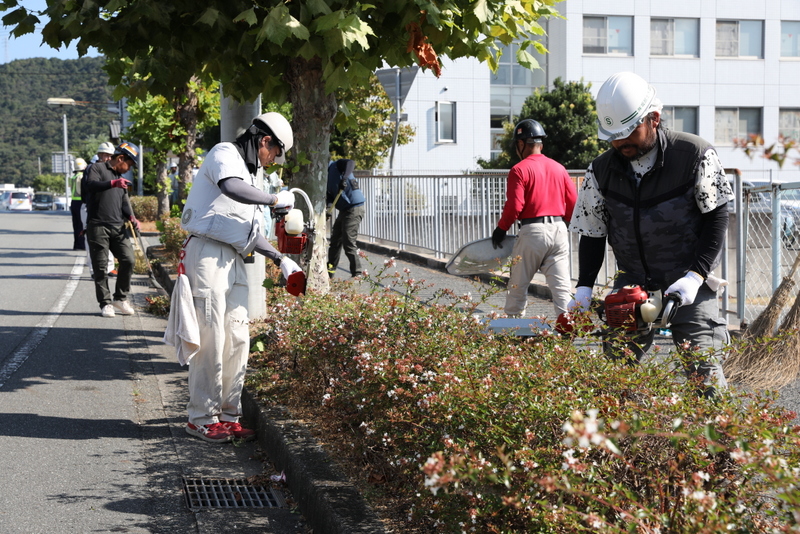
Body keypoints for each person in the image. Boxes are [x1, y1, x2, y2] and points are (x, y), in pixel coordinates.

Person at [568, 71, 732, 397]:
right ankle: (622, 444)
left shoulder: (694, 155)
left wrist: (696, 275)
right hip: (631, 286)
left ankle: (726, 446)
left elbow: (717, 217)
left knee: (705, 377)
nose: (620, 143)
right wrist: (584, 286)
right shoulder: (600, 170)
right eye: (612, 136)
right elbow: (592, 231)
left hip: (688, 283)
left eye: (629, 132)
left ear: (654, 119)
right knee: (613, 379)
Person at [177, 112, 301, 444]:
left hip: (234, 256)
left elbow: (245, 230)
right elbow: (230, 188)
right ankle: (201, 418)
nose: (274, 160)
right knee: (211, 336)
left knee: (237, 337)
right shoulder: (224, 154)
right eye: (275, 152)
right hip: (206, 253)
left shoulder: (252, 175)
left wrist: (279, 257)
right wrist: (275, 199)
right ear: (264, 141)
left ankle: (229, 415)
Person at [491, 119, 577, 318]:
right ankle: (568, 331)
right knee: (562, 288)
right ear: (541, 144)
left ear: (521, 144)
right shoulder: (559, 168)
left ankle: (513, 331)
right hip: (559, 229)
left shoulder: (519, 170)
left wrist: (501, 228)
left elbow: (514, 206)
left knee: (518, 284)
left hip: (533, 231)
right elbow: (573, 203)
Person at [83, 142, 141, 318]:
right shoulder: (96, 168)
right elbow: (91, 185)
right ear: (121, 158)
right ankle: (105, 303)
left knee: (129, 260)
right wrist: (113, 183)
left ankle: (120, 298)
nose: (128, 168)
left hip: (118, 227)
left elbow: (124, 201)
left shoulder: (119, 178)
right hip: (98, 225)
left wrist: (131, 216)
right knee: (100, 268)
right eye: (129, 165)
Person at [81, 143, 117, 279]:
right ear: (99, 155)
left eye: (109, 155)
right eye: (105, 155)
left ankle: (109, 267)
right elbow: (88, 189)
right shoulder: (91, 169)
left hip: (106, 209)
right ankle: (94, 270)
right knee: (92, 238)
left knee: (109, 236)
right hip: (91, 208)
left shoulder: (112, 170)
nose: (107, 158)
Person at [326, 159, 365, 278]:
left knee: (348, 241)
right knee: (334, 242)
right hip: (344, 211)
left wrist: (344, 178)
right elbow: (329, 197)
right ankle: (330, 273)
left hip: (354, 208)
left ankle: (357, 273)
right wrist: (328, 210)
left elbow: (351, 163)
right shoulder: (324, 176)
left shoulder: (336, 165)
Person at [69, 157, 88, 250]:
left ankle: (77, 244)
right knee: (81, 225)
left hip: (74, 202)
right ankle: (81, 245)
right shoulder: (82, 177)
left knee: (76, 225)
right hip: (81, 202)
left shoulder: (73, 177)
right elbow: (82, 191)